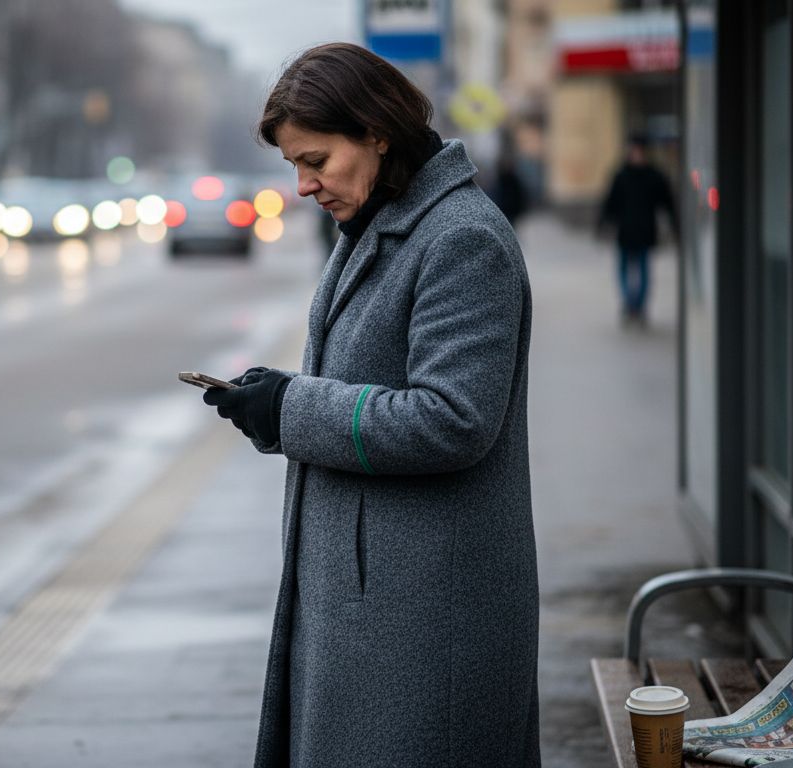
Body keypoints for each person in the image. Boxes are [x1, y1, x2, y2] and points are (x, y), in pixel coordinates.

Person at [199, 43, 539, 768]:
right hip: (378, 611)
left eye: (316, 161)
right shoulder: (381, 225)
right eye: (295, 165)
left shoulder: (462, 239)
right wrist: (278, 400)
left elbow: (454, 420)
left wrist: (290, 408)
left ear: (377, 133)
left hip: (423, 626)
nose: (301, 185)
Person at [597, 134, 678, 323]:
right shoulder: (621, 175)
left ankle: (638, 306)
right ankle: (629, 304)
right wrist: (602, 224)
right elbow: (611, 202)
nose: (636, 155)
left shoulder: (654, 176)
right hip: (625, 232)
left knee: (643, 270)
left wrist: (674, 225)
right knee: (624, 270)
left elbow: (667, 202)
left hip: (645, 231)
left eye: (638, 151)